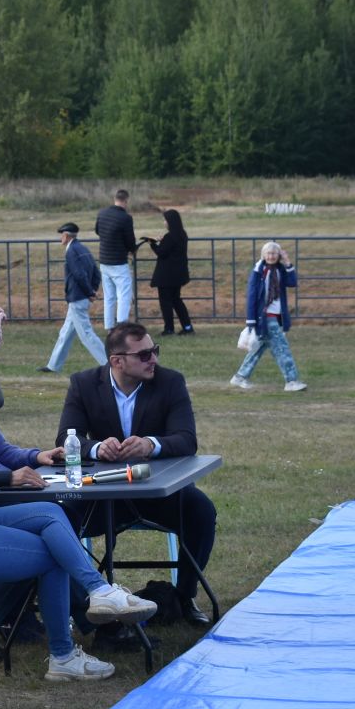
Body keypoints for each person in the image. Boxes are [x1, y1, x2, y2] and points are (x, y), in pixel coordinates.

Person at [0, 382, 158, 674]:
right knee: (57, 547)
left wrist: (36, 457)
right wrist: (5, 477)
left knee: (54, 515)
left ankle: (97, 595)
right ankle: (65, 651)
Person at [58, 322, 217, 627]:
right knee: (57, 520)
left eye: (154, 351)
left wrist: (150, 444)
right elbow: (66, 436)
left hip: (159, 492)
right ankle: (82, 603)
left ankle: (184, 596)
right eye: (144, 355)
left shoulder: (170, 382)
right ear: (117, 361)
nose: (154, 359)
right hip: (102, 495)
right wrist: (96, 448)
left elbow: (187, 438)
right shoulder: (84, 383)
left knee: (201, 511)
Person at [230, 241, 307, 393]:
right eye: (268, 253)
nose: (271, 256)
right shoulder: (258, 271)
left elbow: (292, 282)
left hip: (277, 316)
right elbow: (252, 297)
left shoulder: (280, 270)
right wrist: (251, 322)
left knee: (258, 348)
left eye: (274, 253)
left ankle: (240, 377)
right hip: (265, 317)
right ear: (263, 255)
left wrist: (287, 262)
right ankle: (291, 381)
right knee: (282, 349)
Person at [42, 222, 106, 374]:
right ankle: (53, 365)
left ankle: (109, 363)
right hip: (81, 297)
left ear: (66, 235)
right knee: (65, 333)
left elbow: (78, 274)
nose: (60, 238)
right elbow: (96, 272)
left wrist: (90, 292)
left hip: (77, 297)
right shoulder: (83, 248)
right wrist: (93, 290)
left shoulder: (71, 251)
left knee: (87, 335)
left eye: (61, 235)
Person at [142, 208, 194, 336]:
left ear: (170, 221)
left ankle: (169, 329)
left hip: (166, 276)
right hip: (178, 275)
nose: (164, 222)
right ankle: (187, 327)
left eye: (165, 220)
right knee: (177, 301)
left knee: (165, 302)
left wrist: (152, 243)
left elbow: (161, 253)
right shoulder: (182, 234)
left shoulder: (170, 237)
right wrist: (161, 241)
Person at [95, 189, 139, 329]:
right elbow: (130, 241)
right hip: (119, 262)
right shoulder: (125, 218)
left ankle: (109, 327)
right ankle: (121, 327)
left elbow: (97, 231)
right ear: (126, 201)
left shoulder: (102, 213)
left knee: (109, 297)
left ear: (115, 199)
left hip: (104, 260)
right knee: (124, 295)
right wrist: (133, 249)